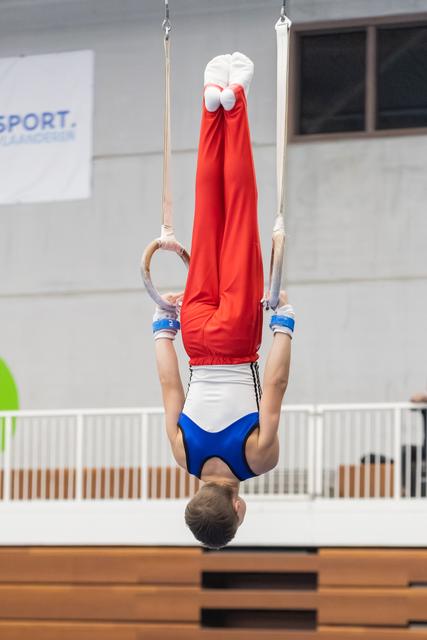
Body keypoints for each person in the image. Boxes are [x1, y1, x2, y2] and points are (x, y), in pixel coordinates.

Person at [152, 53, 294, 548]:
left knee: (239, 212)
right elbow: (170, 383)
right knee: (208, 217)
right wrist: (161, 328)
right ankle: (212, 102)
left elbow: (274, 384)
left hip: (237, 334)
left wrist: (285, 326)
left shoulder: (257, 459)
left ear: (238, 508)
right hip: (193, 334)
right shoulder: (181, 454)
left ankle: (235, 106)